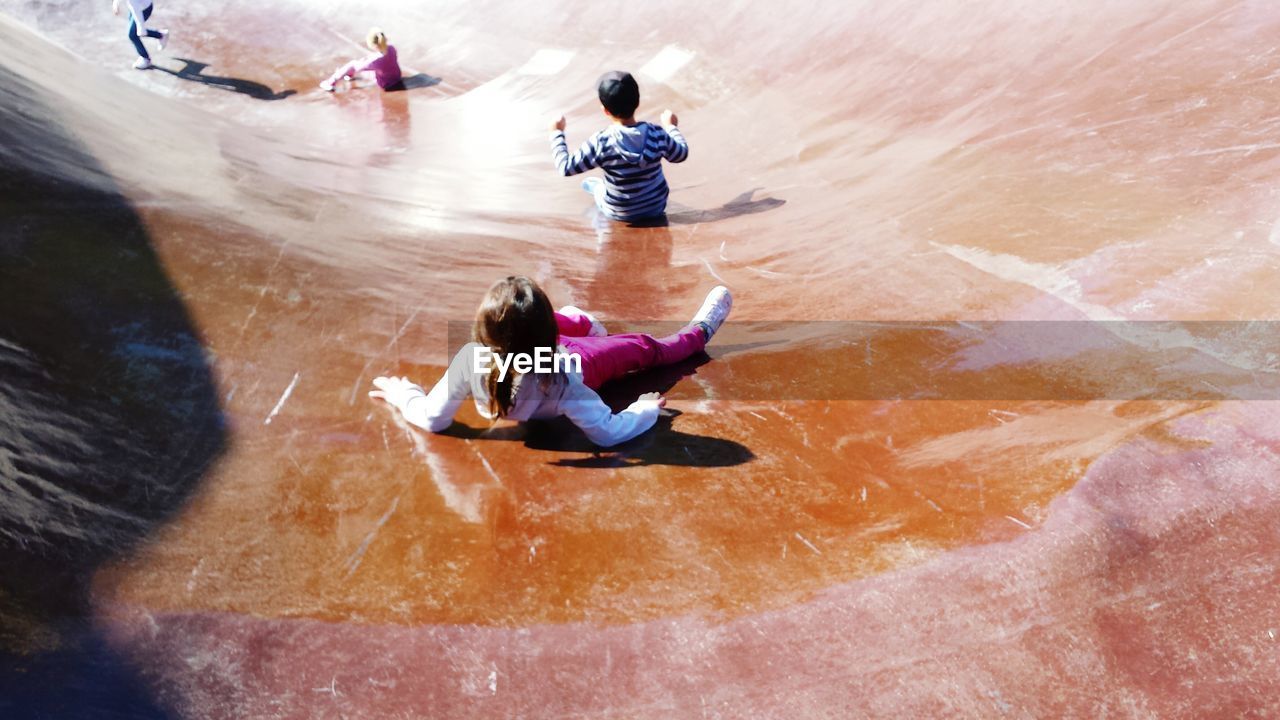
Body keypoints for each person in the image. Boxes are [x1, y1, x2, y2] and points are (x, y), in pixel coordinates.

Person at [369, 277, 732, 447]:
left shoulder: (470, 358)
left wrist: (406, 396)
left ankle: (578, 322)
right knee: (645, 347)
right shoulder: (562, 383)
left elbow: (432, 418)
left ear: (482, 334)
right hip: (581, 361)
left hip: (540, 350)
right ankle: (699, 331)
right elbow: (607, 433)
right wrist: (644, 410)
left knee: (520, 323)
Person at [551, 71, 689, 222]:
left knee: (593, 185)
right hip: (656, 207)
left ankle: (598, 189)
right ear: (638, 102)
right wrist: (671, 127)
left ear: (606, 110)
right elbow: (681, 154)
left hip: (620, 212)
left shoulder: (601, 142)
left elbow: (565, 167)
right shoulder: (657, 134)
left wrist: (557, 131)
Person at [321, 28, 403, 92]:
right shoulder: (391, 48)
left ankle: (330, 82)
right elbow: (381, 57)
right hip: (396, 77)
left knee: (352, 65)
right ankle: (349, 75)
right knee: (368, 64)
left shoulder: (374, 61)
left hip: (386, 83)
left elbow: (355, 66)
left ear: (373, 46)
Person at [112, 0, 168, 70]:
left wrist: (141, 27)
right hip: (138, 7)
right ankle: (161, 35)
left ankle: (146, 59)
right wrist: (116, 4)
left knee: (132, 34)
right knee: (135, 32)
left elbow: (137, 11)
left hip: (143, 10)